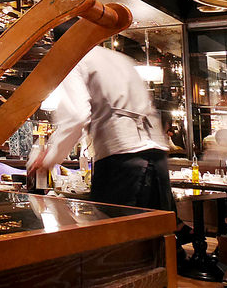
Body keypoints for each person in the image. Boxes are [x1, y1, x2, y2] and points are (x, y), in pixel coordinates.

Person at [28, 45, 174, 211]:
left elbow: (76, 117)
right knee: (158, 225)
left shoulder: (75, 59)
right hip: (157, 154)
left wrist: (47, 160)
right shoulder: (121, 59)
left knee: (109, 226)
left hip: (121, 158)